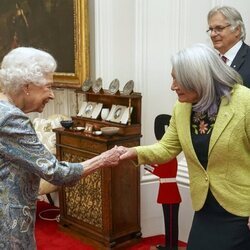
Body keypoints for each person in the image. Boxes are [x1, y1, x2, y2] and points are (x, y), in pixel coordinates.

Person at [118, 43, 250, 250]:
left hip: (241, 210)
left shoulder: (244, 101)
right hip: (205, 207)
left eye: (177, 79)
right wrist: (131, 152)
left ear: (198, 78)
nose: (172, 86)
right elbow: (166, 149)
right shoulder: (183, 108)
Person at [0, 47, 121, 249]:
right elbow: (56, 173)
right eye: (48, 87)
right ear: (28, 86)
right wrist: (103, 159)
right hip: (8, 222)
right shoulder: (12, 119)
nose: (53, 95)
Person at [207, 5, 250, 88]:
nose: (212, 34)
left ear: (237, 30)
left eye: (219, 28)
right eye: (211, 29)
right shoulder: (210, 62)